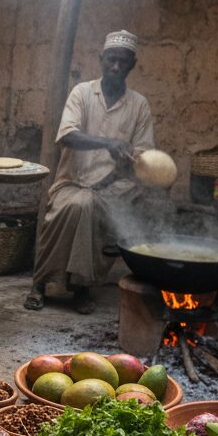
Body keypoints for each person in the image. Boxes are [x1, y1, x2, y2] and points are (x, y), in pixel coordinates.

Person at [24, 29, 155, 315]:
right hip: (73, 182)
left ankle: (80, 285)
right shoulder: (82, 93)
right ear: (101, 59)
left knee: (104, 206)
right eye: (111, 60)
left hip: (114, 187)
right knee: (79, 205)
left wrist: (134, 161)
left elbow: (143, 154)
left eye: (123, 61)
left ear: (132, 64)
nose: (116, 67)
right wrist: (108, 143)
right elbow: (68, 135)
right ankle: (42, 283)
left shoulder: (138, 105)